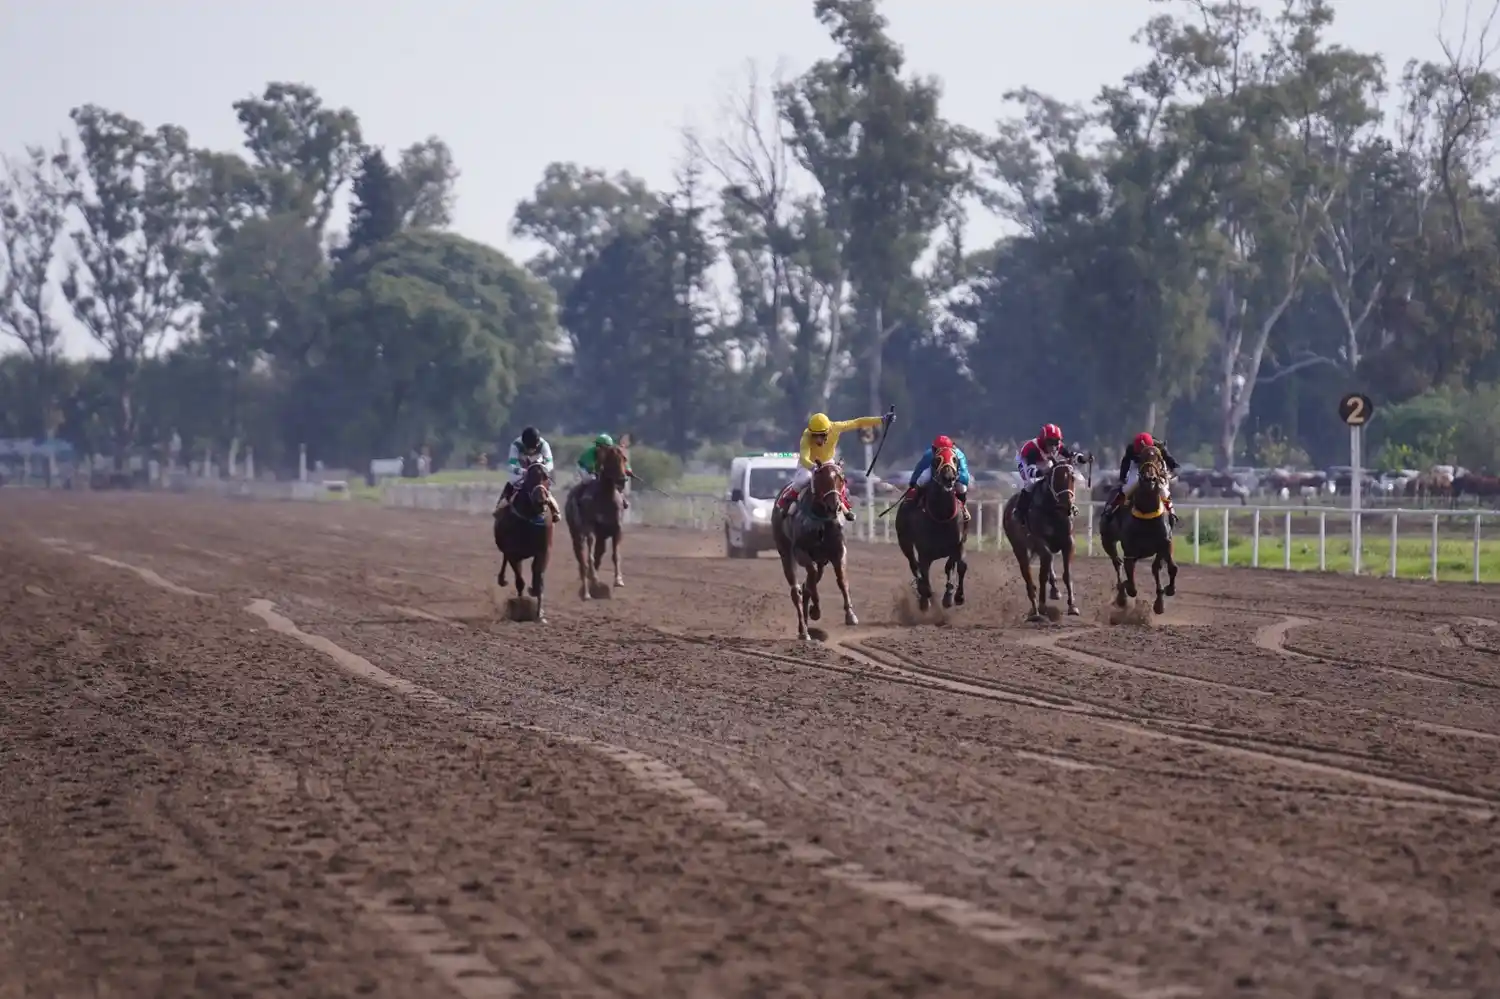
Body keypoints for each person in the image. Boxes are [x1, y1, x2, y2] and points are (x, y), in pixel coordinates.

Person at [776, 410, 894, 521]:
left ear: (828, 431)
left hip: (828, 461)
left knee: (837, 480)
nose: (818, 439)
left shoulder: (836, 427)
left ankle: (845, 507)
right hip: (809, 463)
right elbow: (804, 457)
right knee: (803, 479)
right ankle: (786, 500)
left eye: (822, 435)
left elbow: (858, 422)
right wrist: (813, 467)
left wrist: (881, 420)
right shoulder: (806, 435)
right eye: (815, 435)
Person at [1013, 423, 1089, 519]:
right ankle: (1019, 510)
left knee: (1057, 478)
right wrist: (1042, 472)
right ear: (1043, 441)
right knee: (1031, 483)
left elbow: (1071, 455)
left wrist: (1083, 458)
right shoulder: (1033, 449)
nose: (1053, 447)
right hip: (1026, 461)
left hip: (1044, 460)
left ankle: (1067, 503)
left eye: (1056, 442)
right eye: (1050, 442)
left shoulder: (1058, 446)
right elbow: (1030, 472)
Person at [1107, 431, 1179, 523]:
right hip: (1138, 466)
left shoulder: (1158, 445)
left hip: (1155, 466)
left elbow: (1169, 459)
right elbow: (1125, 463)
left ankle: (1171, 511)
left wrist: (1174, 468)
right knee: (1129, 486)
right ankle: (1113, 506)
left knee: (1163, 488)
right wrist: (1122, 478)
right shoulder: (1131, 448)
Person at [494, 426, 560, 521]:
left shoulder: (544, 444)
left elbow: (550, 463)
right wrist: (523, 471)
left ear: (538, 443)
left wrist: (542, 469)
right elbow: (512, 466)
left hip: (538, 468)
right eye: (528, 448)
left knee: (542, 485)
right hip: (521, 469)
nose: (531, 451)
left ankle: (554, 509)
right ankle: (501, 506)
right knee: (513, 482)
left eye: (533, 448)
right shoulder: (516, 445)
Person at [905, 434, 971, 521]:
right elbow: (920, 468)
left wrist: (961, 480)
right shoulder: (929, 454)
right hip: (935, 474)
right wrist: (914, 481)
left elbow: (964, 471)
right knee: (923, 479)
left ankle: (963, 508)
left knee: (962, 488)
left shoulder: (959, 455)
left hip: (954, 475)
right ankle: (916, 504)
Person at [577, 432, 634, 509]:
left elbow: (623, 463)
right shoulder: (590, 453)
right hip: (585, 469)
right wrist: (598, 472)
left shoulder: (614, 453)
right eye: (598, 446)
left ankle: (622, 497)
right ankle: (587, 496)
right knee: (591, 479)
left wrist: (628, 470)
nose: (599, 449)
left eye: (602, 447)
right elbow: (590, 467)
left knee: (614, 480)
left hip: (599, 470)